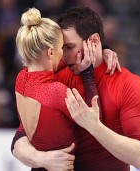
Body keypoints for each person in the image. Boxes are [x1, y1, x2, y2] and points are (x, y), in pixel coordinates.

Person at [11, 6, 140, 171]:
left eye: (69, 47)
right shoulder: (54, 78)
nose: (63, 56)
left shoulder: (129, 85)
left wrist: (94, 127)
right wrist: (42, 159)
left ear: (93, 41)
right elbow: (20, 138)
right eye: (61, 48)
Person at [13, 7, 100, 171]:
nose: (65, 55)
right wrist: (88, 73)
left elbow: (49, 65)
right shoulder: (55, 91)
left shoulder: (21, 79)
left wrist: (105, 50)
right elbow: (93, 119)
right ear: (51, 52)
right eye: (63, 48)